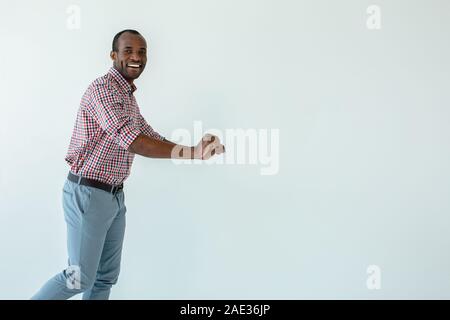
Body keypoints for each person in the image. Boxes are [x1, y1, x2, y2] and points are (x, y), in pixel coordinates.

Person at [31, 29, 225, 300]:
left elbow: (150, 135)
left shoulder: (127, 98)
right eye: (128, 51)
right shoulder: (103, 90)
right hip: (88, 194)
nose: (136, 57)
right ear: (113, 55)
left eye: (142, 51)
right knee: (79, 278)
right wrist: (194, 152)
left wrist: (198, 149)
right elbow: (134, 141)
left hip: (114, 197)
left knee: (104, 278)